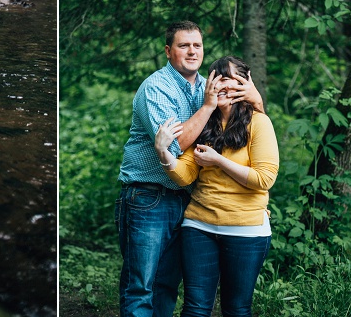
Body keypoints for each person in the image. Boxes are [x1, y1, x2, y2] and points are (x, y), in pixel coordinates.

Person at [116, 21, 263, 317]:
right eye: (184, 45)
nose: (192, 51)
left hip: (187, 199)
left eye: (197, 45)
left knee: (168, 284)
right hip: (148, 197)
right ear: (169, 51)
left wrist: (256, 98)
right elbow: (175, 146)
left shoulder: (204, 88)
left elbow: (249, 125)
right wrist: (208, 106)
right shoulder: (156, 88)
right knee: (141, 286)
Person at [155, 56, 278, 317]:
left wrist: (218, 161)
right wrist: (164, 154)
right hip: (199, 226)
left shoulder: (259, 123)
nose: (221, 84)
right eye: (216, 78)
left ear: (245, 83)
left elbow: (264, 179)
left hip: (247, 231)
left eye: (229, 78)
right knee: (196, 308)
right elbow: (186, 174)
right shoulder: (205, 124)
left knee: (236, 309)